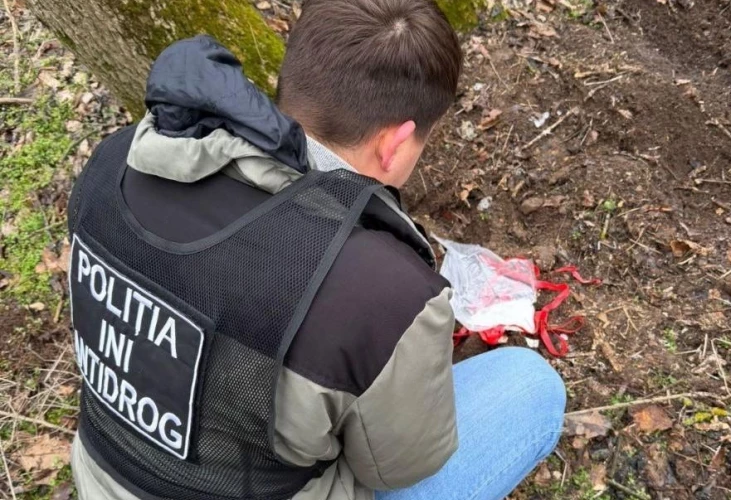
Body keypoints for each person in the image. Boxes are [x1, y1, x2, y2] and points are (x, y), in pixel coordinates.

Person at [67, 0, 566, 499]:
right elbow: (399, 468)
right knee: (530, 385)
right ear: (395, 143)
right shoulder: (384, 292)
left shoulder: (121, 159)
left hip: (104, 477)